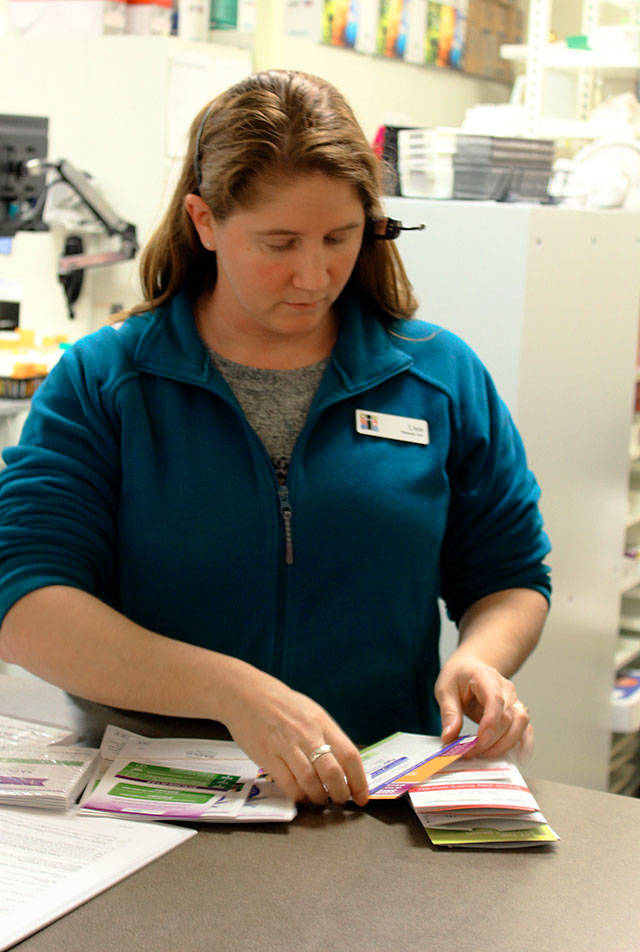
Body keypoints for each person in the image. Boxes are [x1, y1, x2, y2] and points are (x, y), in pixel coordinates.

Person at [0, 69, 551, 808]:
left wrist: (480, 660)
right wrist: (229, 692)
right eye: (279, 242)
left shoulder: (438, 376)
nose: (314, 275)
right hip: (158, 804)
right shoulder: (107, 382)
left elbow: (510, 575)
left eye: (340, 237)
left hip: (371, 797)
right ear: (204, 221)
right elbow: (25, 603)